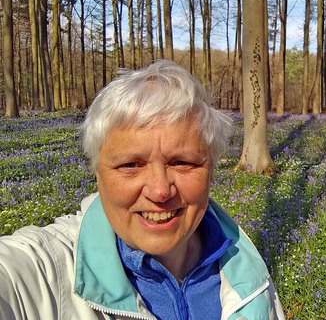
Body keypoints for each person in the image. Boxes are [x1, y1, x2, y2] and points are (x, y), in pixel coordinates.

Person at [0, 60, 285, 320]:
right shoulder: (46, 270)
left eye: (182, 162)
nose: (160, 191)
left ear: (210, 168)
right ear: (98, 172)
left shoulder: (246, 267)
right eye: (130, 164)